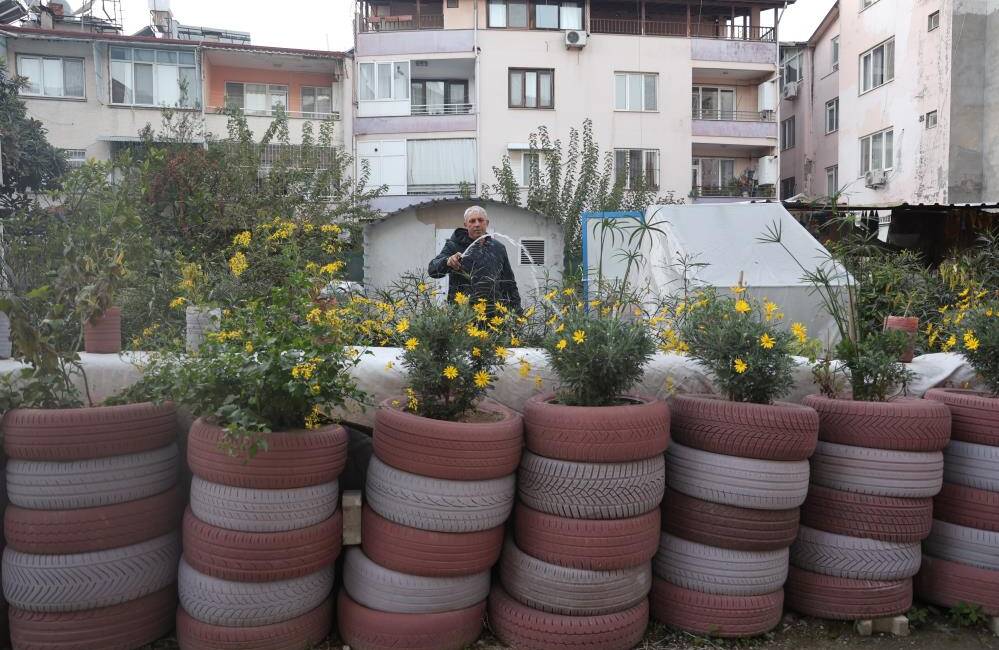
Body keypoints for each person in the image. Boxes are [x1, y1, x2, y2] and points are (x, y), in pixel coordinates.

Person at [428, 205, 521, 311]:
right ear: (466, 225)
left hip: (493, 313)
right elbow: (432, 270)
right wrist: (447, 262)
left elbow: (509, 283)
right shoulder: (454, 245)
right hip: (463, 313)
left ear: (487, 223)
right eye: (472, 221)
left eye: (480, 220)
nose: (477, 224)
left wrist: (517, 311)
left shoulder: (498, 248)